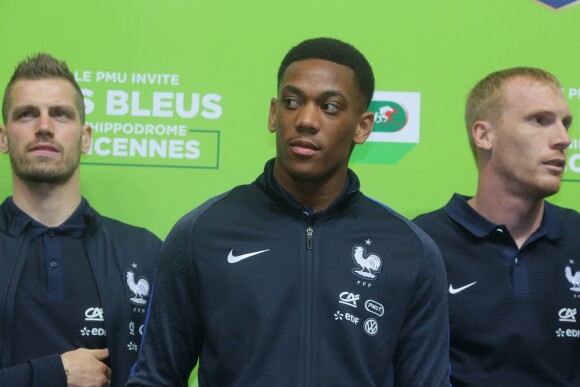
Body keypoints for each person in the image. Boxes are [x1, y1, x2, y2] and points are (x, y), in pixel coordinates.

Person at [127, 37, 449, 386]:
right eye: (292, 102)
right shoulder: (202, 232)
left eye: (329, 106)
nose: (306, 120)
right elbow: (156, 377)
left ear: (363, 126)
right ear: (272, 114)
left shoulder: (411, 250)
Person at [0, 53, 161, 387]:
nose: (43, 127)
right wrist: (53, 375)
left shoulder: (144, 252)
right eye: (27, 114)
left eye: (60, 114)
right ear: (3, 137)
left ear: (85, 136)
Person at [414, 67, 578, 386]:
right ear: (483, 135)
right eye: (539, 120)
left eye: (565, 123)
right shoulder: (422, 244)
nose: (563, 139)